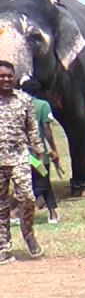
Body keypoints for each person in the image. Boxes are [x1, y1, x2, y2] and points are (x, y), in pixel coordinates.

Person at [0, 60, 44, 263]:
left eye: (9, 76)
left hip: (19, 158)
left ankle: (28, 234)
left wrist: (39, 152)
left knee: (27, 197)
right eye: (2, 76)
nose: (6, 79)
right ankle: (4, 246)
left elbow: (33, 130)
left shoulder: (24, 100)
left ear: (14, 77)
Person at [19, 80, 59, 223]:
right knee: (42, 181)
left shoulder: (17, 106)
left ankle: (52, 213)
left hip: (21, 154)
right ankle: (15, 211)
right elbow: (47, 129)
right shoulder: (43, 105)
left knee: (32, 183)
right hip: (39, 155)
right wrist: (54, 148)